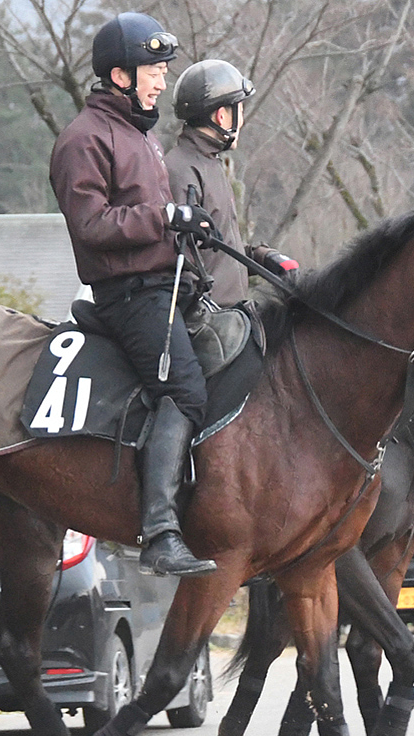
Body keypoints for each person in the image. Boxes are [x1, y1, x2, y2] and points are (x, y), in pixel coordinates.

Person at [48, 12, 216, 578]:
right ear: (120, 75)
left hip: (166, 285)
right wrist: (164, 216)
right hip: (129, 294)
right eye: (154, 71)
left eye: (164, 71)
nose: (163, 81)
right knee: (187, 393)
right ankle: (161, 532)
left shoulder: (140, 135)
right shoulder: (83, 139)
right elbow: (92, 225)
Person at [164, 59, 297, 306]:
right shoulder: (181, 170)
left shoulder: (209, 163)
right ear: (222, 115)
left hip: (230, 315)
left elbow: (216, 249)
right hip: (209, 325)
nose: (242, 120)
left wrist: (262, 257)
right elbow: (180, 263)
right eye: (240, 110)